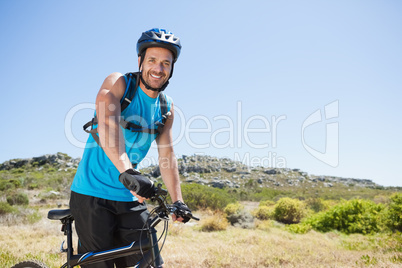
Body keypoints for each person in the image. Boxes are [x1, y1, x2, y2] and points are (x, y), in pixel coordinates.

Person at [69, 28, 191, 268]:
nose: (158, 69)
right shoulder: (118, 84)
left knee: (148, 262)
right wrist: (129, 172)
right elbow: (106, 125)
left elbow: (166, 154)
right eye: (152, 61)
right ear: (140, 61)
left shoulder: (166, 107)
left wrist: (178, 200)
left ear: (171, 68)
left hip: (129, 196)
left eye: (166, 63)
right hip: (92, 194)